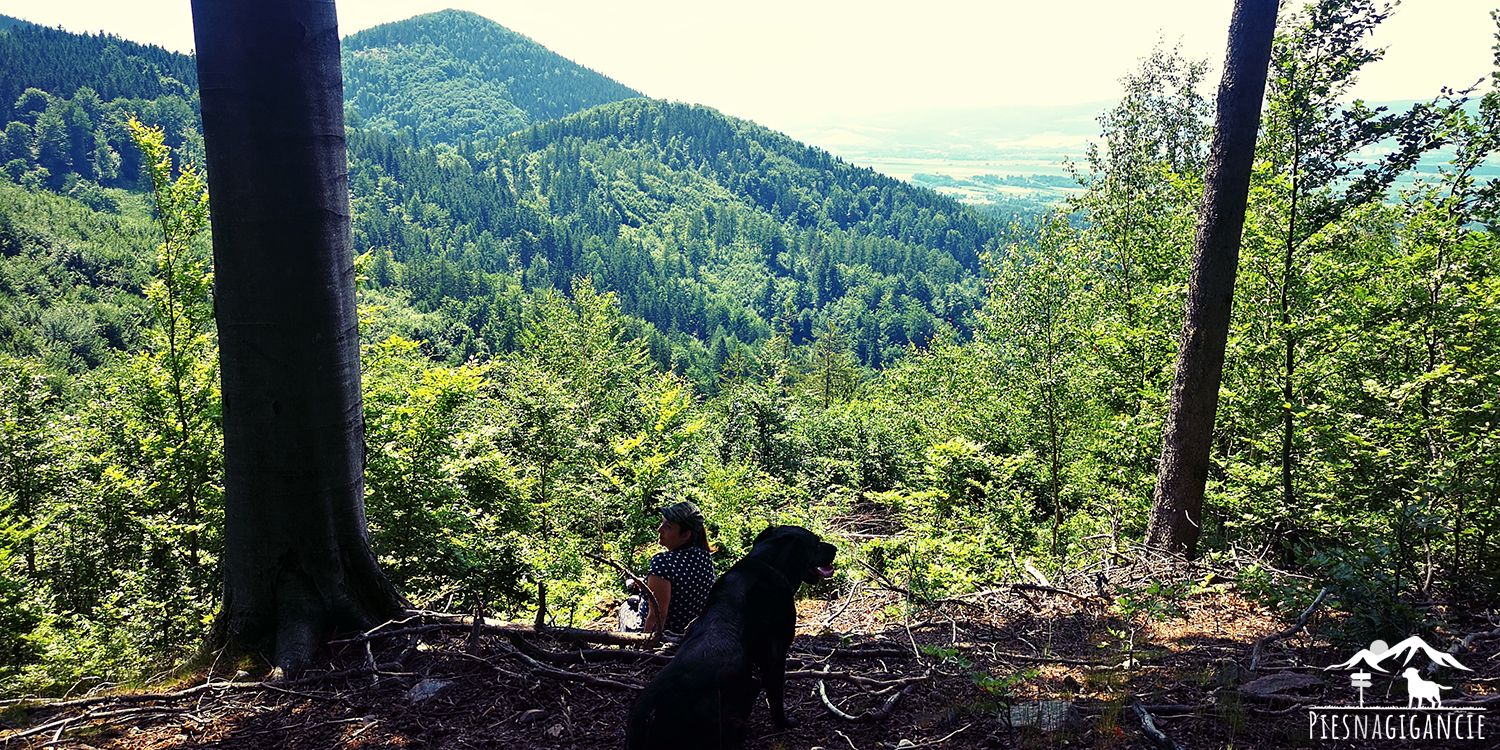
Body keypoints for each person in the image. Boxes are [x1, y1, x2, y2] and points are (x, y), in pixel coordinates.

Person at [621, 500, 716, 634]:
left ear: (685, 535)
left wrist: (645, 649)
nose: (659, 529)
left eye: (668, 527)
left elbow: (656, 617)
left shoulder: (663, 562)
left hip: (669, 634)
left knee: (626, 608)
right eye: (662, 523)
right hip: (693, 633)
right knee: (635, 598)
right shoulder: (704, 557)